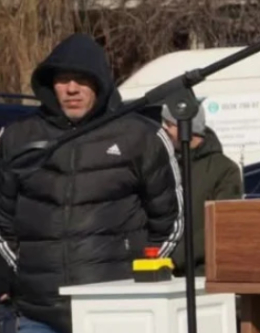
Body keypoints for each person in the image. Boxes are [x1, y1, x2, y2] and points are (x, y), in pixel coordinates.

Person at [0, 34, 183, 333]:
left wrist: (138, 276)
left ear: (99, 82)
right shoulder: (15, 138)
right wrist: (20, 273)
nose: (72, 89)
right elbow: (2, 221)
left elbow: (170, 222)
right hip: (38, 314)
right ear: (50, 84)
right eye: (63, 80)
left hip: (115, 310)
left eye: (82, 79)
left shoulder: (141, 137)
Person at [160, 106, 243, 276]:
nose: (163, 129)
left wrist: (175, 259)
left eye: (168, 123)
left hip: (201, 273)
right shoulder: (164, 164)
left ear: (186, 127)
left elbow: (221, 225)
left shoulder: (225, 169)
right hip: (161, 269)